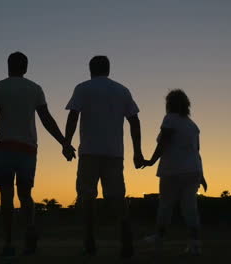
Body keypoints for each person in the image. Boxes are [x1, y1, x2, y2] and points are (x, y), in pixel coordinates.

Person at [0, 52, 75, 257]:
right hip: (27, 148)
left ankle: (9, 242)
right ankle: (29, 231)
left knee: (6, 196)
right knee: (25, 194)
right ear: (26, 68)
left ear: (8, 66)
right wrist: (64, 142)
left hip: (4, 146)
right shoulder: (34, 89)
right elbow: (47, 119)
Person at [64, 56, 144, 258]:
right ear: (108, 69)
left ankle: (89, 243)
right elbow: (134, 121)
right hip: (114, 153)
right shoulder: (122, 90)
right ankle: (126, 244)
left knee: (87, 198)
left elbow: (73, 116)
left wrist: (66, 142)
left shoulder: (82, 88)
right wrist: (137, 151)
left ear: (90, 69)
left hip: (89, 151)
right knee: (117, 199)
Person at [143, 89, 207, 256]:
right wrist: (202, 175)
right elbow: (196, 152)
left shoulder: (170, 119)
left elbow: (164, 141)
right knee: (190, 208)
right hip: (193, 171)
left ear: (169, 104)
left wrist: (151, 160)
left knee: (165, 205)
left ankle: (159, 236)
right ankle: (194, 244)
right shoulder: (192, 125)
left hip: (173, 170)